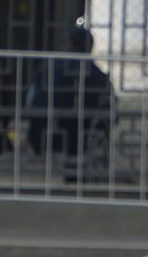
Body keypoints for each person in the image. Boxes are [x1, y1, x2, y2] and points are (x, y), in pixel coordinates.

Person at [22, 23, 113, 183]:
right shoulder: (99, 76)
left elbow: (29, 102)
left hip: (44, 136)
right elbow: (110, 112)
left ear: (69, 45)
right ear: (90, 47)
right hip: (82, 141)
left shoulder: (48, 68)